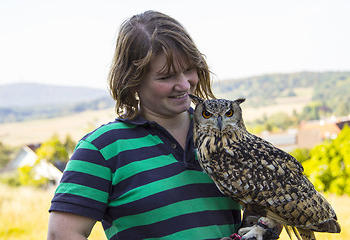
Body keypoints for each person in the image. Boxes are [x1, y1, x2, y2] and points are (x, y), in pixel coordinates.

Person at [47, 10, 243, 240]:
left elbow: (268, 207)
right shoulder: (102, 149)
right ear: (132, 81)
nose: (183, 84)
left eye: (189, 69)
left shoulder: (228, 134)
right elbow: (62, 234)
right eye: (166, 76)